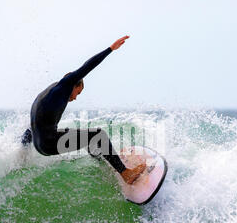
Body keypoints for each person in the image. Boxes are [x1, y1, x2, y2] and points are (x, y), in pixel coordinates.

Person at [22, 35, 146, 184]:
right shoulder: (64, 86)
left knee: (85, 136)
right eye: (78, 92)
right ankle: (126, 174)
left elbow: (33, 124)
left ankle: (105, 160)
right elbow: (87, 67)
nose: (75, 98)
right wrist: (111, 49)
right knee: (99, 135)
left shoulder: (46, 94)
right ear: (74, 84)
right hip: (49, 144)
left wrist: (22, 151)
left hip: (39, 145)